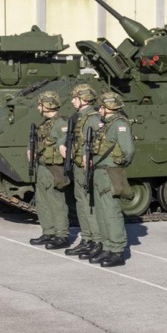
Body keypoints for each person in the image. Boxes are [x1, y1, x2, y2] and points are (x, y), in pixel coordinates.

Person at [88, 91, 135, 267]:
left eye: (101, 106)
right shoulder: (106, 125)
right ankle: (107, 246)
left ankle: (117, 250)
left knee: (111, 213)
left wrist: (118, 164)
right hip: (100, 171)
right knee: (102, 212)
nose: (99, 110)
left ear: (109, 108)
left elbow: (128, 151)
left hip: (110, 172)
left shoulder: (119, 125)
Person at [59, 83, 103, 260]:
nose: (71, 101)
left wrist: (91, 157)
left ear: (84, 99)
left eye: (75, 98)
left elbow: (100, 142)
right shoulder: (77, 117)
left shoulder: (93, 118)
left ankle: (96, 240)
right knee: (81, 202)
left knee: (89, 203)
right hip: (77, 165)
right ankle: (87, 238)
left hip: (87, 166)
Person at [29, 90, 73, 249]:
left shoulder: (61, 123)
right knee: (42, 201)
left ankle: (61, 235)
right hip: (42, 166)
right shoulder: (45, 124)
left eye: (40, 104)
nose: (38, 108)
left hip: (54, 167)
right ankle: (48, 231)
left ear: (47, 105)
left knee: (56, 201)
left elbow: (64, 141)